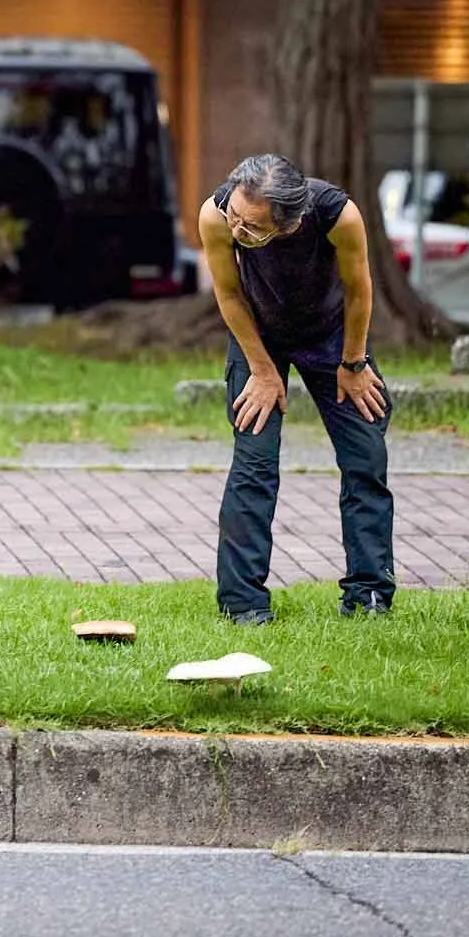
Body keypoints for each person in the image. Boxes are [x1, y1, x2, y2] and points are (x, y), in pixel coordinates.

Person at [197, 152, 393, 625]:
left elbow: (360, 290)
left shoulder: (336, 215)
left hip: (331, 336)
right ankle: (243, 604)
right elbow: (228, 294)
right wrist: (262, 370)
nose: (238, 232)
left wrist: (353, 361)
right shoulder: (216, 213)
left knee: (365, 457)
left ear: (291, 223)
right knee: (254, 460)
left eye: (253, 229)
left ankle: (368, 596)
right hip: (256, 333)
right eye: (236, 220)